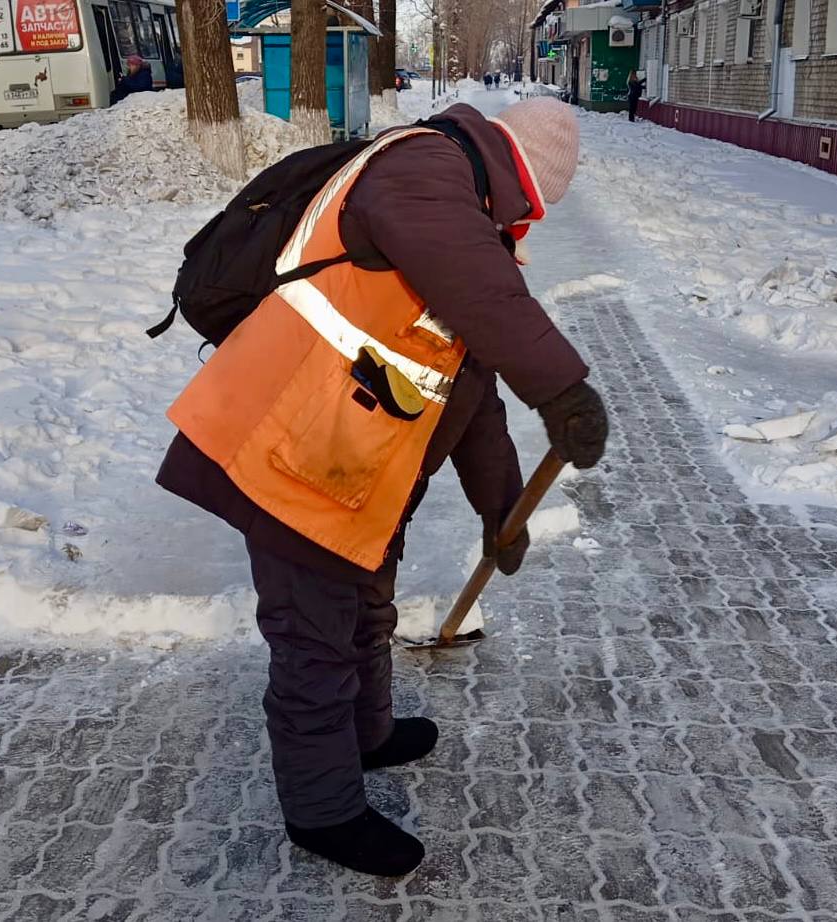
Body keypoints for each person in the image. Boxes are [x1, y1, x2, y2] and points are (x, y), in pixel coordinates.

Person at [157, 98, 608, 877]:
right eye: (529, 211)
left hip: (347, 451)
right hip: (287, 443)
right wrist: (563, 387)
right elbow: (485, 296)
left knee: (363, 602)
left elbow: (470, 384)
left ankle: (366, 734)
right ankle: (322, 812)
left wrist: (497, 506)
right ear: (519, 178)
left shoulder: (454, 198)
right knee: (313, 636)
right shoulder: (422, 169)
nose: (522, 230)